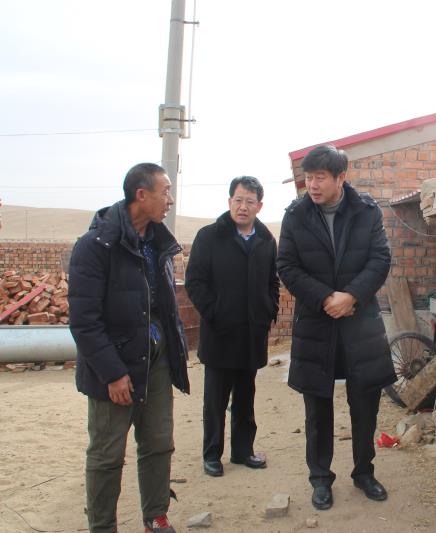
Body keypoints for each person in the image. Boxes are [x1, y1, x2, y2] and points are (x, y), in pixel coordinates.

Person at [68, 163, 190, 533]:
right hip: (114, 367)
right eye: (165, 191)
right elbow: (85, 322)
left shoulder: (158, 243)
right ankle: (103, 526)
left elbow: (163, 308)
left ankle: (155, 516)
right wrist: (113, 373)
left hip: (156, 360)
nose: (170, 200)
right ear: (141, 195)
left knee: (158, 443)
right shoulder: (94, 247)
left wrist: (174, 354)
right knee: (107, 454)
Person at [277, 144, 396, 511]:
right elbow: (287, 265)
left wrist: (352, 296)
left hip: (360, 323)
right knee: (317, 406)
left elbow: (380, 258)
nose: (312, 185)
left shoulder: (366, 211)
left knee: (365, 401)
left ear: (341, 178)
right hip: (317, 322)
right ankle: (320, 479)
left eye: (320, 178)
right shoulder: (296, 215)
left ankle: (364, 472)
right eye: (308, 178)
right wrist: (326, 297)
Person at [185, 176, 279, 477]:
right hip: (220, 334)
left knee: (245, 398)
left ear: (259, 206)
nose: (243, 207)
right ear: (229, 202)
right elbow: (195, 282)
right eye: (238, 200)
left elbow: (272, 282)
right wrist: (215, 313)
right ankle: (212, 455)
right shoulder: (209, 236)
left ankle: (243, 451)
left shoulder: (266, 240)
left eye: (250, 201)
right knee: (215, 400)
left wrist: (269, 311)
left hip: (252, 334)